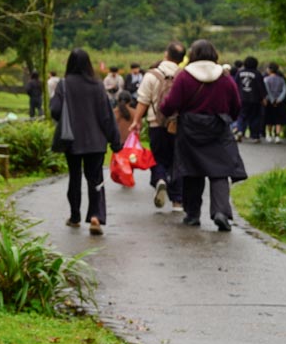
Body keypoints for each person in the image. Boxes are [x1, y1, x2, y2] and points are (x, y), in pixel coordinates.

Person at [158, 39, 246, 231]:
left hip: (190, 129)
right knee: (220, 172)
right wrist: (228, 118)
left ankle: (192, 215)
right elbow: (236, 105)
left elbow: (171, 103)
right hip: (218, 128)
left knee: (191, 172)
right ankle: (221, 212)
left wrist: (164, 113)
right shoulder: (223, 77)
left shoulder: (184, 77)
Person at [50, 48, 122, 235]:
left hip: (72, 140)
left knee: (75, 177)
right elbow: (107, 116)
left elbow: (55, 110)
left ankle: (75, 216)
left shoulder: (63, 85)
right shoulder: (98, 86)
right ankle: (96, 216)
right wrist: (115, 140)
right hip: (96, 141)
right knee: (95, 179)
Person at [130, 43, 185, 212]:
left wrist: (136, 121)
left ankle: (160, 179)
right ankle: (177, 200)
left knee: (158, 157)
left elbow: (143, 100)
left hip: (156, 123)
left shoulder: (152, 75)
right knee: (178, 160)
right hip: (179, 124)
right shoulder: (184, 75)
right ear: (182, 59)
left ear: (166, 54)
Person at [237, 55, 267, 142]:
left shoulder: (239, 73)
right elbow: (260, 87)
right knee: (255, 117)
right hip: (255, 99)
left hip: (242, 98)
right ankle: (254, 136)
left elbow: (235, 85)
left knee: (241, 116)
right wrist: (263, 98)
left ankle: (240, 131)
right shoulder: (257, 74)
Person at [263, 62, 286, 143]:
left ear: (270, 69)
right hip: (280, 102)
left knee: (269, 119)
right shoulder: (281, 79)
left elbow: (266, 91)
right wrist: (279, 99)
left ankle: (269, 135)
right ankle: (277, 136)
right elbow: (284, 90)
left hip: (269, 102)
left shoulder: (266, 79)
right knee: (279, 119)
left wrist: (272, 100)